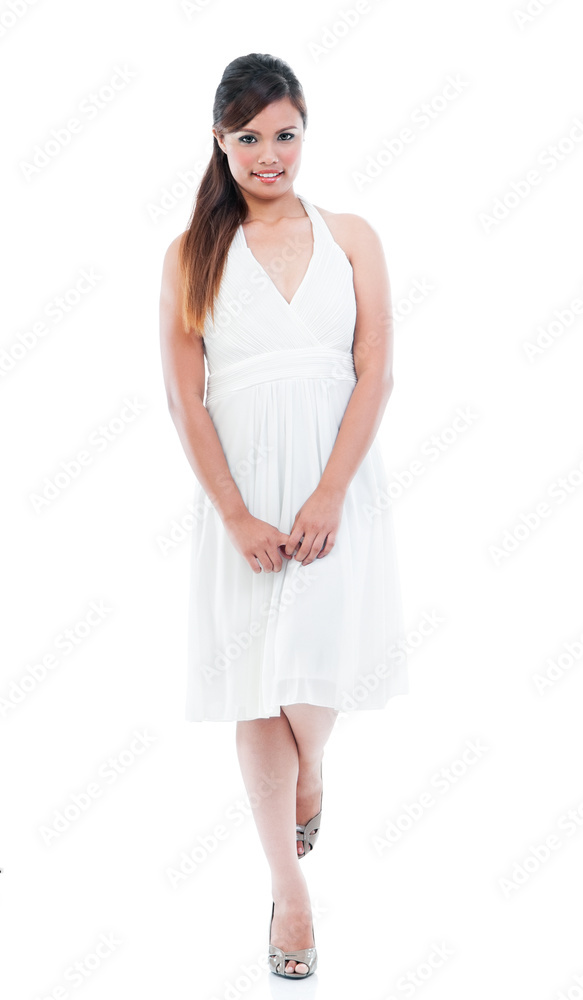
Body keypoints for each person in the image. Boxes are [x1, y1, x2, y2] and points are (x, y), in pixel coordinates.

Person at [159, 52, 409, 980]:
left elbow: (375, 367)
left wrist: (331, 490)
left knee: (319, 660)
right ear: (221, 141)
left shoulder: (351, 235)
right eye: (250, 137)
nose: (271, 155)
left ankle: (310, 769)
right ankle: (290, 897)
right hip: (243, 495)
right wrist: (234, 516)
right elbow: (187, 399)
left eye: (287, 134)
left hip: (335, 479)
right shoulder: (192, 255)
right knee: (254, 681)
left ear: (306, 131)